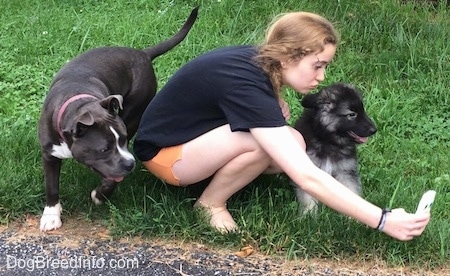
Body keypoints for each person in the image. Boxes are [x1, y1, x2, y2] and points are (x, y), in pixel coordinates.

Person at [133, 11, 430, 240]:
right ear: (290, 56)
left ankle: (222, 183)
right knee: (270, 145)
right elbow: (304, 173)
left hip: (190, 143)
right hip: (165, 156)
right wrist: (383, 219)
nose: (322, 76)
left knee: (291, 141)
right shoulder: (246, 84)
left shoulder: (259, 62)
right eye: (318, 65)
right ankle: (211, 204)